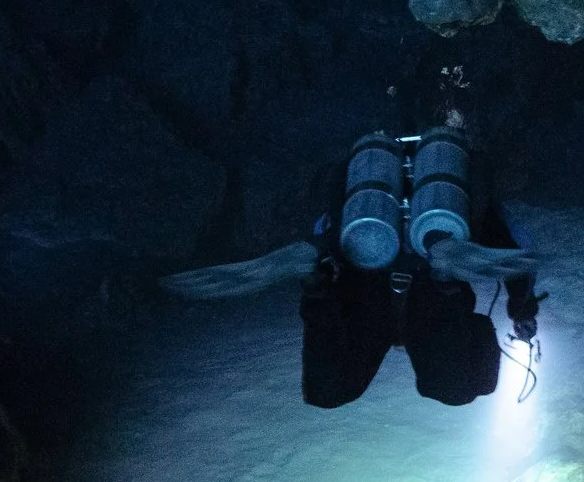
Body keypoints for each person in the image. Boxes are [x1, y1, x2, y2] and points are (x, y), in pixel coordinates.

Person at [158, 70, 541, 407]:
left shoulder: (367, 188)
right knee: (457, 389)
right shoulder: (456, 193)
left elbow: (330, 227)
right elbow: (511, 247)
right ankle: (443, 274)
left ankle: (313, 286)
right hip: (434, 301)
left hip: (363, 296)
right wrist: (521, 311)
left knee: (327, 393)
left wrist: (320, 267)